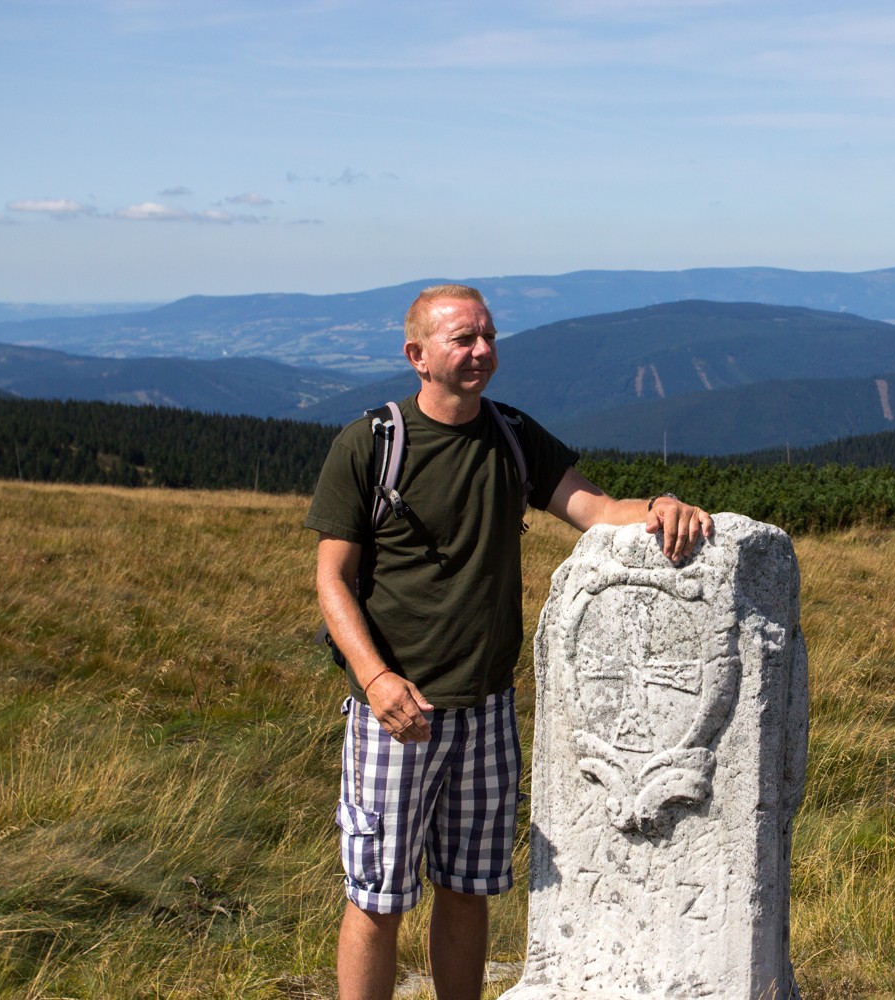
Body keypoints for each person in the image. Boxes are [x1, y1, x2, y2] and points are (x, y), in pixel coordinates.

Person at [304, 283, 713, 1000]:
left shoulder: (514, 435)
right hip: (394, 711)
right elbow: (331, 579)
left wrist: (659, 506)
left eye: (488, 336)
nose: (482, 351)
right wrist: (375, 679)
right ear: (417, 355)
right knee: (378, 898)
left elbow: (594, 508)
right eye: (463, 339)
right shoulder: (371, 444)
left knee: (469, 890)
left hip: (487, 710)